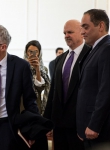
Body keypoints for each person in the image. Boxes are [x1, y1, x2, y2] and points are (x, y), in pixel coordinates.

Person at [44, 20, 90, 150]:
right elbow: (53, 93)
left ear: (81, 33)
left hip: (80, 126)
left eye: (70, 32)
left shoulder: (90, 55)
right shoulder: (60, 59)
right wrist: (47, 122)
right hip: (59, 126)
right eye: (64, 33)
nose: (66, 36)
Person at [77, 9, 110, 149]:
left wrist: (94, 125)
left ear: (101, 26)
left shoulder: (107, 49)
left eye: (86, 27)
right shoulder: (94, 50)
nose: (82, 32)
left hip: (99, 132)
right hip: (88, 129)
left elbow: (106, 91)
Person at [23, 40, 50, 115]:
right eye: (30, 51)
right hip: (21, 105)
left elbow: (40, 88)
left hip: (36, 105)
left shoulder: (44, 70)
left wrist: (37, 69)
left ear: (39, 53)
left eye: (36, 51)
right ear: (26, 52)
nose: (32, 54)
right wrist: (26, 66)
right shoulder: (20, 66)